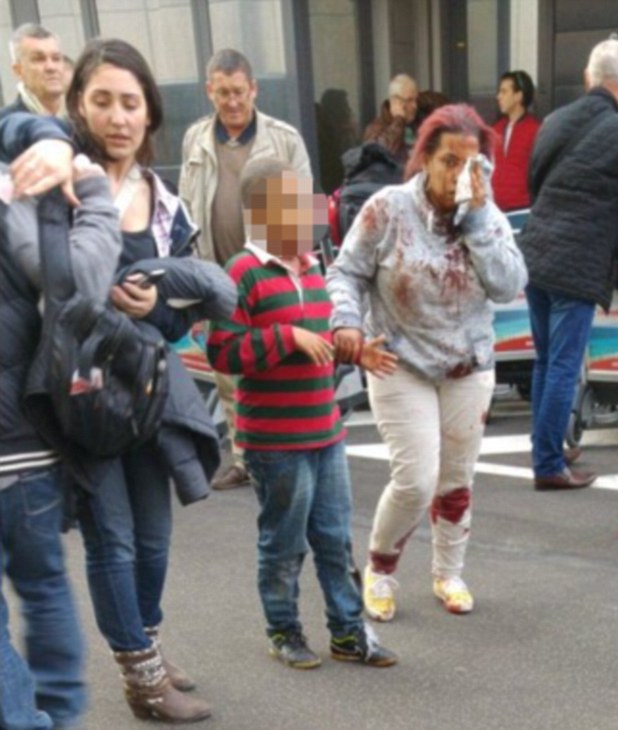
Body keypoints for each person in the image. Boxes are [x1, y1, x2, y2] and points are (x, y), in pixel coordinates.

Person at [13, 37, 217, 723]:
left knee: (155, 538)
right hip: (81, 396)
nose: (118, 117)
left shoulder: (167, 205)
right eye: (101, 101)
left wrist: (153, 308)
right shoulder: (57, 185)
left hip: (146, 393)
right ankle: (141, 676)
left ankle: (147, 643)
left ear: (150, 114)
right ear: (77, 107)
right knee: (115, 539)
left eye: (131, 103)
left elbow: (182, 318)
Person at [327, 104, 527, 622]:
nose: (460, 174)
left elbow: (509, 285)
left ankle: (448, 573)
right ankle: (380, 568)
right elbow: (345, 272)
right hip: (401, 362)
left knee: (457, 481)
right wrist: (346, 322)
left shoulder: (488, 215)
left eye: (472, 163)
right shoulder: (388, 208)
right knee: (417, 480)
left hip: (468, 366)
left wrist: (479, 220)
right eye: (449, 162)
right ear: (424, 161)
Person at [207, 156, 400, 670]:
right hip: (275, 440)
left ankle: (347, 633)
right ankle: (283, 631)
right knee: (284, 544)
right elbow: (222, 352)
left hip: (324, 431)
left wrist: (353, 350)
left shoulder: (315, 268)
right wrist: (286, 336)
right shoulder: (241, 273)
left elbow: (320, 342)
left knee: (336, 541)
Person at [0, 118, 117, 730]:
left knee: (43, 590)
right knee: (45, 587)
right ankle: (53, 718)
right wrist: (94, 193)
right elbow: (74, 286)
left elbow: (20, 121)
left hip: (18, 445)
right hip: (22, 442)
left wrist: (49, 136)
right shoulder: (11, 190)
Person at [180, 48, 313, 490]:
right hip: (218, 274)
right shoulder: (196, 139)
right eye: (222, 93)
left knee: (276, 361)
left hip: (272, 270)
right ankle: (243, 455)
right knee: (228, 372)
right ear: (209, 92)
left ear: (253, 89)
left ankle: (291, 447)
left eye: (239, 91)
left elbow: (306, 207)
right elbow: (186, 210)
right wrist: (194, 284)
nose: (232, 101)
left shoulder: (285, 139)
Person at [518, 39, 618, 491]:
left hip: (535, 253)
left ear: (588, 77)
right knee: (564, 365)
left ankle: (546, 445)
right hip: (579, 260)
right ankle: (549, 463)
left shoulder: (552, 122)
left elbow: (535, 183)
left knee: (545, 360)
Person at [491, 69, 540, 212]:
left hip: (523, 208)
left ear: (518, 96)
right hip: (496, 210)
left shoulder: (536, 130)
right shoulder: (496, 129)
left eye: (504, 92)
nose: (498, 96)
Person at [0, 23, 67, 120]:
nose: (51, 67)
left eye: (56, 58)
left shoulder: (82, 119)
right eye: (39, 59)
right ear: (18, 70)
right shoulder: (5, 124)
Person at [362, 74, 419, 165]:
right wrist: (398, 121)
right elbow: (380, 155)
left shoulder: (417, 124)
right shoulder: (375, 128)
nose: (415, 106)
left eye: (416, 100)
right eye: (409, 100)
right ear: (396, 102)